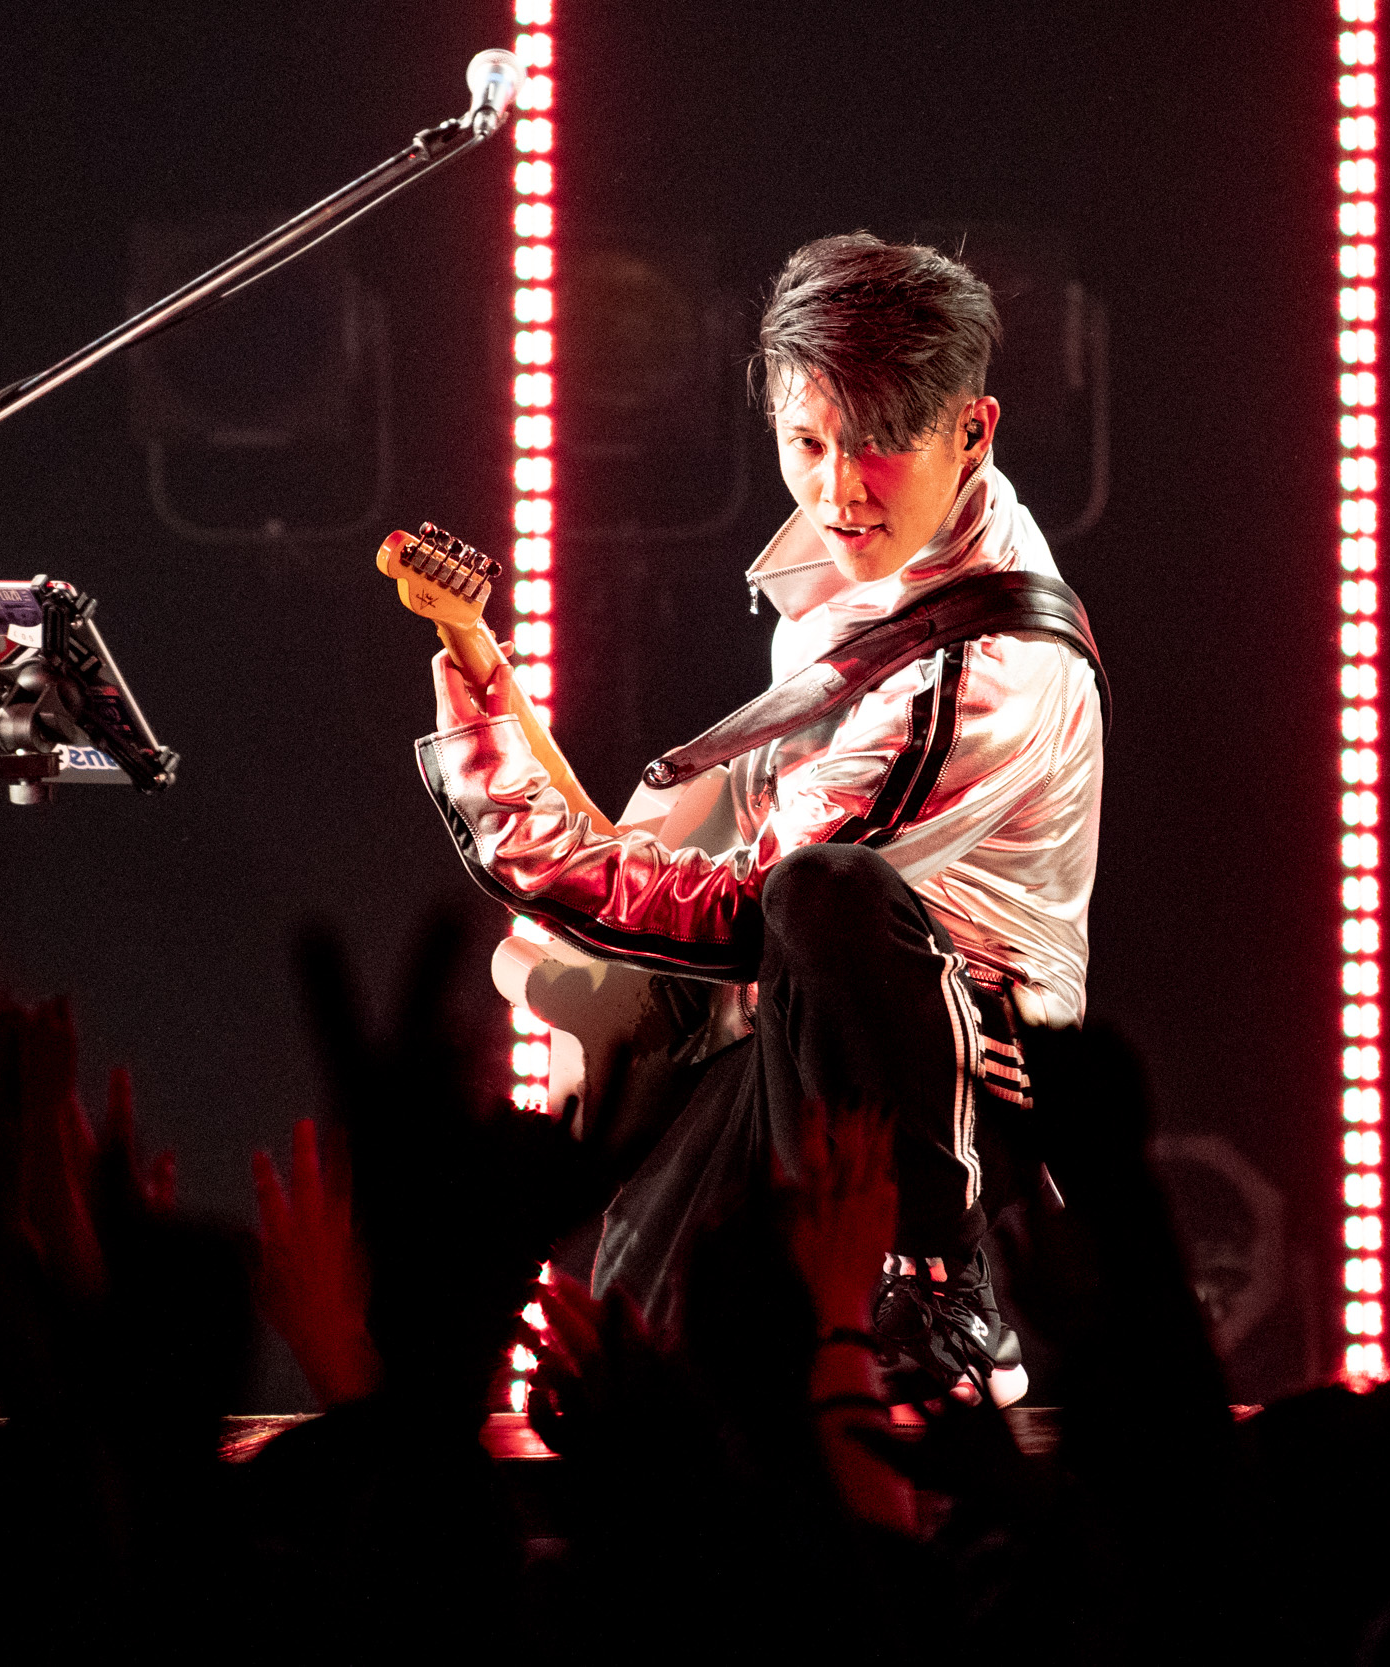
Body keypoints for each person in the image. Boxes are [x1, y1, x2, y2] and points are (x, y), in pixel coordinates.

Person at [414, 233, 1105, 1404]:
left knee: (824, 893)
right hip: (786, 1029)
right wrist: (485, 688)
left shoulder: (981, 672)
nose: (838, 488)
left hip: (956, 1081)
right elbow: (709, 845)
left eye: (878, 442)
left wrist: (520, 827)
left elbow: (756, 906)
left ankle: (946, 1286)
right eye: (807, 442)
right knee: (615, 1386)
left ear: (972, 432)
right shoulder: (859, 573)